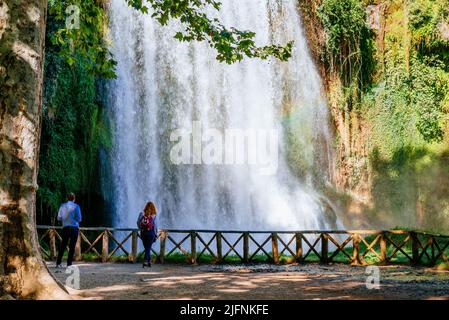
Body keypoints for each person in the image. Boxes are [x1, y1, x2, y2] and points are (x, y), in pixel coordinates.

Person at [56, 193, 82, 268]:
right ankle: (69, 264)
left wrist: (66, 219)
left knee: (63, 245)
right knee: (72, 246)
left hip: (65, 228)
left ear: (67, 198)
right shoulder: (76, 206)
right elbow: (79, 219)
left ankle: (58, 263)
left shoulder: (62, 206)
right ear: (74, 198)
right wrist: (73, 219)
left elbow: (59, 218)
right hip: (74, 228)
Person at [137, 201, 158, 267]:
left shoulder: (141, 214)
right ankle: (146, 261)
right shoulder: (154, 215)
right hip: (151, 233)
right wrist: (156, 234)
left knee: (147, 247)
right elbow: (155, 226)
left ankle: (149, 261)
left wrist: (141, 229)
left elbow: (137, 222)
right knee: (148, 247)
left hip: (143, 233)